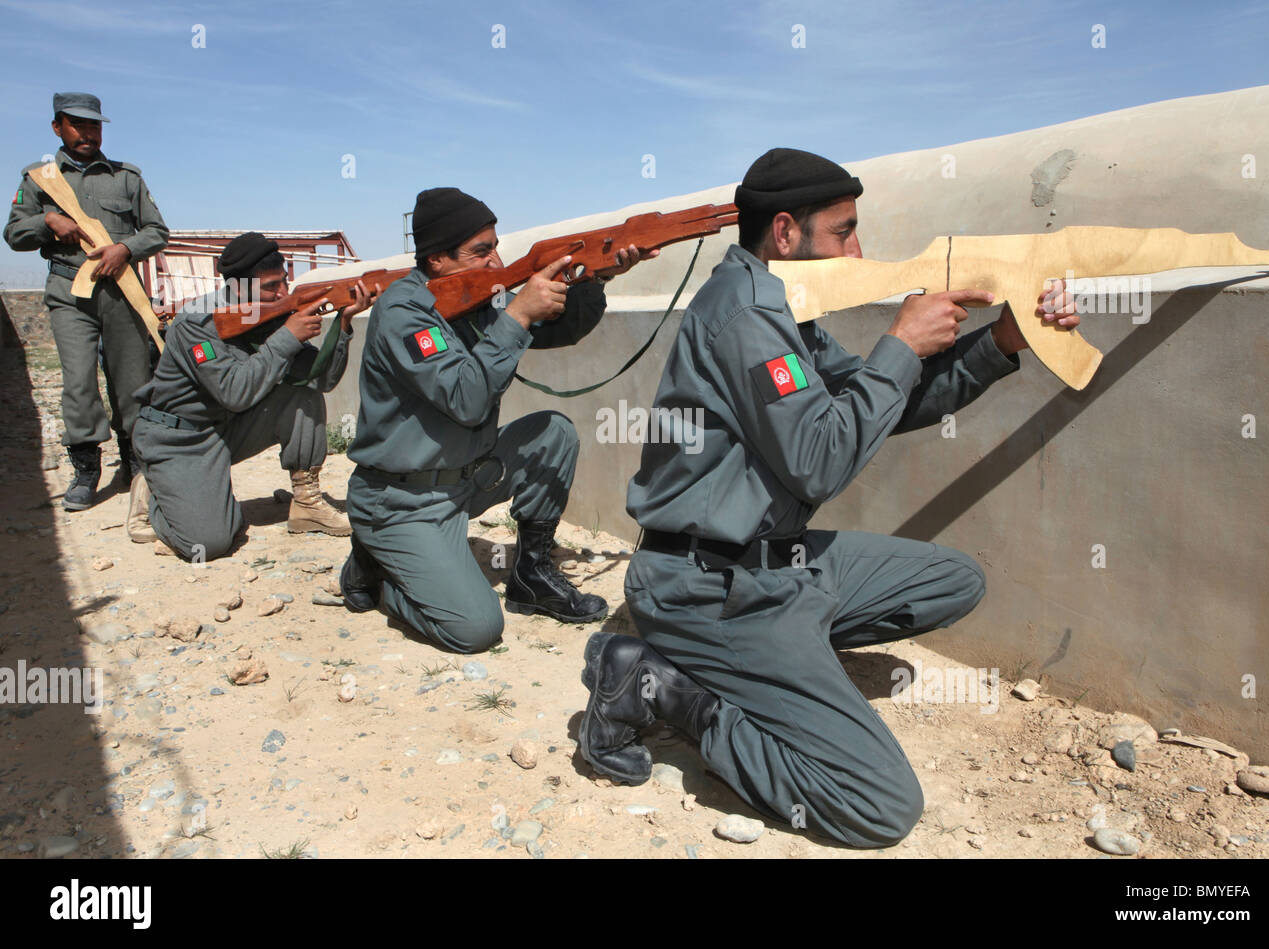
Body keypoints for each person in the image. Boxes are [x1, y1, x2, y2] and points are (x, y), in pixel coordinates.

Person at [579, 147, 1078, 848]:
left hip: (772, 563)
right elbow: (819, 461)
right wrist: (899, 345)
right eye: (843, 231)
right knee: (881, 805)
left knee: (953, 581)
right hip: (708, 585)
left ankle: (780, 659)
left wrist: (999, 339)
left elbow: (884, 404)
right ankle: (668, 690)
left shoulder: (786, 309)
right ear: (785, 233)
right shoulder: (746, 316)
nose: (858, 247)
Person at [341, 187, 653, 653]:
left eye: (495, 246)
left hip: (466, 476)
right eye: (480, 251)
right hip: (403, 497)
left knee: (553, 433)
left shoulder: (473, 297)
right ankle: (381, 572)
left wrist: (596, 275)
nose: (494, 261)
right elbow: (465, 398)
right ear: (436, 260)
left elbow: (562, 329)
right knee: (476, 629)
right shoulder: (404, 312)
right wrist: (518, 313)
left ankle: (531, 576)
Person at [130, 232, 376, 559]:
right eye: (271, 287)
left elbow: (322, 381)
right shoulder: (196, 323)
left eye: (284, 282)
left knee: (301, 394)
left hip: (225, 430)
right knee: (212, 542)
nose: (282, 294)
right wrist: (287, 337)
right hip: (177, 438)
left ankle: (306, 503)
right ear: (237, 289)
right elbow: (235, 392)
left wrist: (343, 324)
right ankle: (154, 490)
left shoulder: (268, 317)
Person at [3, 92, 169, 510]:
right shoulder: (40, 179)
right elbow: (14, 235)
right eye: (77, 125)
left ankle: (136, 463)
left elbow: (157, 231)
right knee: (78, 383)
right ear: (57, 127)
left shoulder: (126, 177)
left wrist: (125, 250)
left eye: (94, 125)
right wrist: (46, 220)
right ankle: (86, 469)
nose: (87, 133)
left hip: (122, 294)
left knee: (133, 383)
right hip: (69, 296)